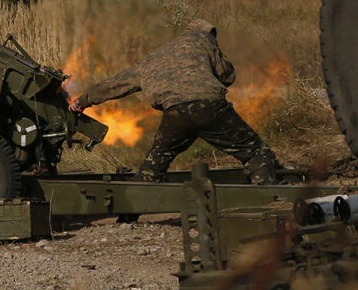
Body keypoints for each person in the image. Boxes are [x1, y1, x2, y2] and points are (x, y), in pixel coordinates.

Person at [68, 19, 277, 184]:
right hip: (210, 108)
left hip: (175, 114)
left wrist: (83, 101)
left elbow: (115, 84)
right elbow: (227, 76)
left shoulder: (156, 55)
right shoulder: (204, 40)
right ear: (207, 32)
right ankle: (272, 198)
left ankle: (127, 215)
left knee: (152, 169)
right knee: (256, 152)